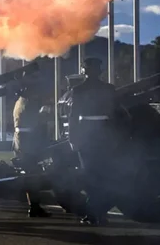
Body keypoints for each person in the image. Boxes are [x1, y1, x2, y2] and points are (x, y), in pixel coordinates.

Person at [66, 57, 118, 226]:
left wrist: (72, 137)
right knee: (103, 176)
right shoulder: (109, 89)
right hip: (104, 134)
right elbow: (115, 116)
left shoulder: (78, 90)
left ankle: (93, 213)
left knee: (90, 175)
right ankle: (100, 213)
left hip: (86, 133)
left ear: (84, 71)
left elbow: (73, 116)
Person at [12, 83, 53, 218]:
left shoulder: (19, 102)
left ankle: (34, 206)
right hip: (29, 142)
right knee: (33, 175)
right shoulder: (29, 103)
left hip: (20, 140)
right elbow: (37, 123)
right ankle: (34, 207)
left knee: (30, 174)